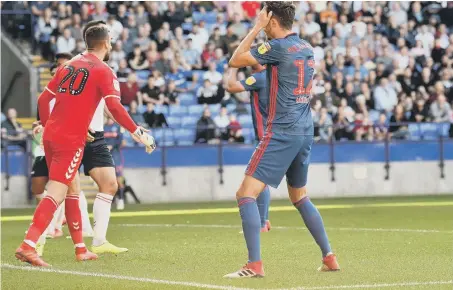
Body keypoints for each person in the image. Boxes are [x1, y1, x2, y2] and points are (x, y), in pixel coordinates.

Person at [16, 21, 155, 267]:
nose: (112, 43)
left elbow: (43, 98)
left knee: (71, 190)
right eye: (111, 40)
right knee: (56, 192)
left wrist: (49, 126)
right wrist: (136, 130)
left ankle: (81, 248)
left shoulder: (69, 64)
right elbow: (114, 106)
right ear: (106, 43)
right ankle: (29, 245)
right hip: (70, 140)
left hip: (52, 135)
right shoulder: (104, 70)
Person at [225, 2, 339, 277]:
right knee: (299, 196)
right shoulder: (306, 47)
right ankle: (329, 257)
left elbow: (235, 60)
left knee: (245, 194)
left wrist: (255, 28)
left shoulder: (276, 48)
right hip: (304, 130)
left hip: (282, 131)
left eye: (264, 18)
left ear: (272, 20)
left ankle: (254, 265)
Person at [225, 66, 272, 232]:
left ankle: (262, 222)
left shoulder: (259, 78)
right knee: (262, 178)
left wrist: (233, 67)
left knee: (259, 178)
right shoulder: (273, 76)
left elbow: (231, 87)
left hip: (265, 135)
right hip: (273, 133)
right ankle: (264, 220)